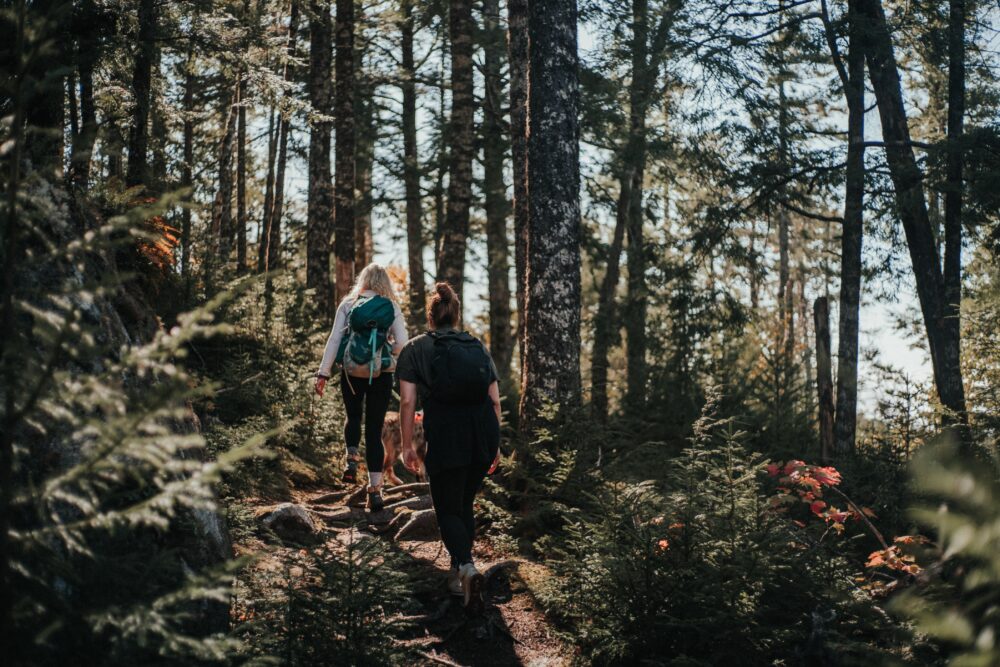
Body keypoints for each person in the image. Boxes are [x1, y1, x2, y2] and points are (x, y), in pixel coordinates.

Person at [396, 282, 501, 611]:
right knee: (464, 504)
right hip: (482, 434)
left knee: (446, 508)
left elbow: (407, 402)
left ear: (431, 317)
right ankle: (459, 576)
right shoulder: (477, 346)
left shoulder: (415, 349)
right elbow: (494, 401)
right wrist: (495, 445)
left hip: (446, 435)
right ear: (456, 315)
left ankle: (467, 567)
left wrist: (406, 446)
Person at [315, 263, 408, 512]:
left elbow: (334, 339)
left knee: (353, 416)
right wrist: (387, 349)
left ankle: (351, 461)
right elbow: (403, 343)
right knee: (375, 428)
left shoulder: (348, 304)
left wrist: (323, 373)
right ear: (384, 283)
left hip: (351, 371)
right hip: (381, 374)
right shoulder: (391, 307)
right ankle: (375, 491)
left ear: (363, 280)